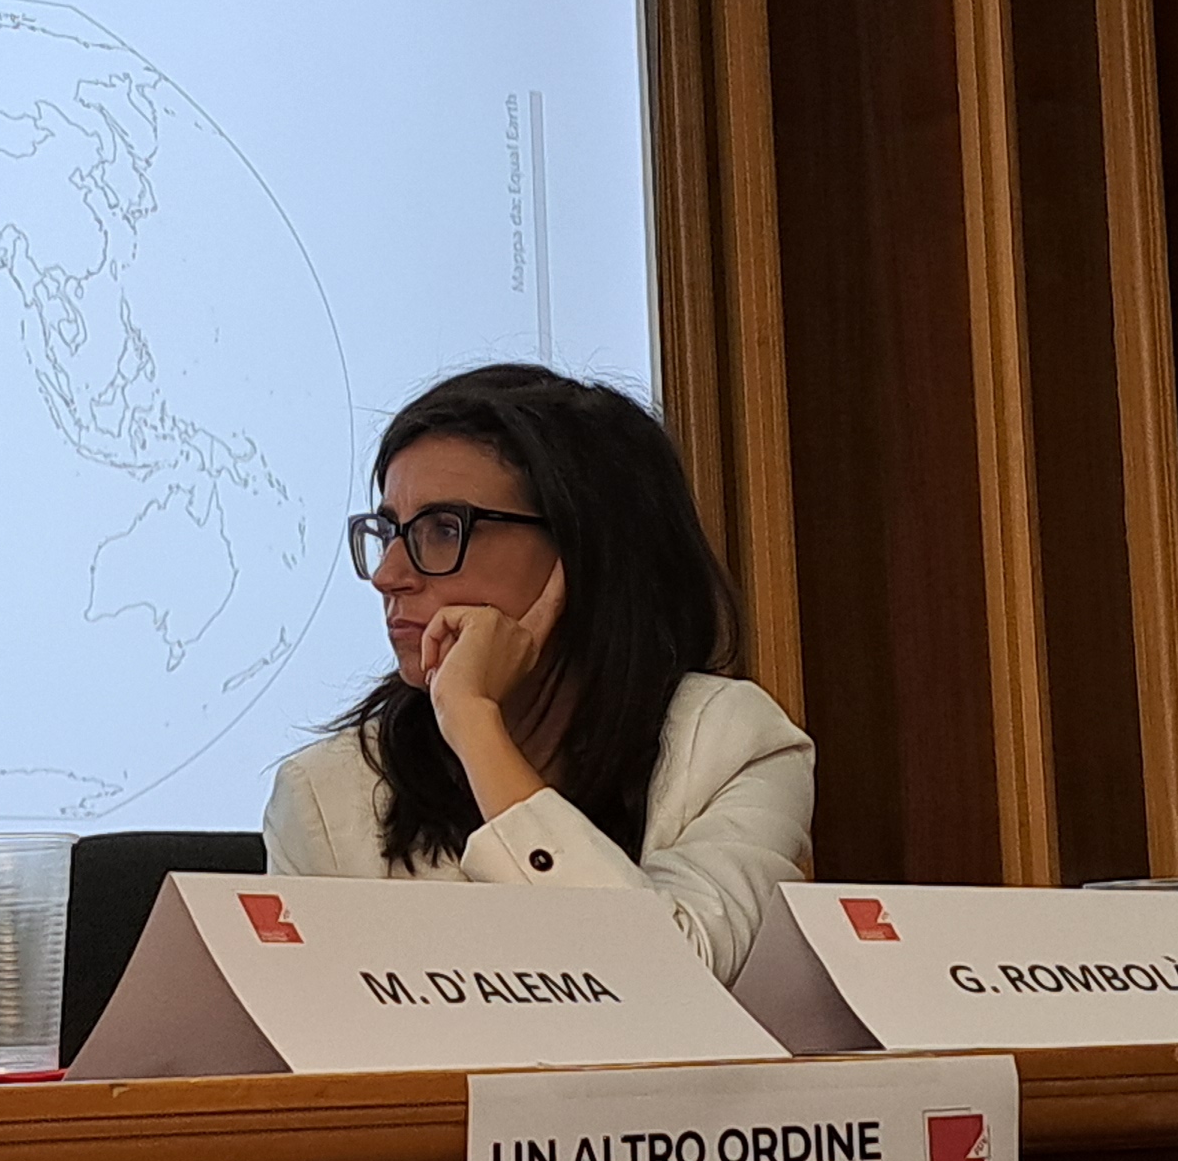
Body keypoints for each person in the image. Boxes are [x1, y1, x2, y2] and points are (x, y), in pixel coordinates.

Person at [263, 364, 813, 983]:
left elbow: (673, 984)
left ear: (582, 551)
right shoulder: (325, 796)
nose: (389, 575)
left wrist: (475, 726)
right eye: (388, 531)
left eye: (443, 530)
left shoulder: (733, 746)